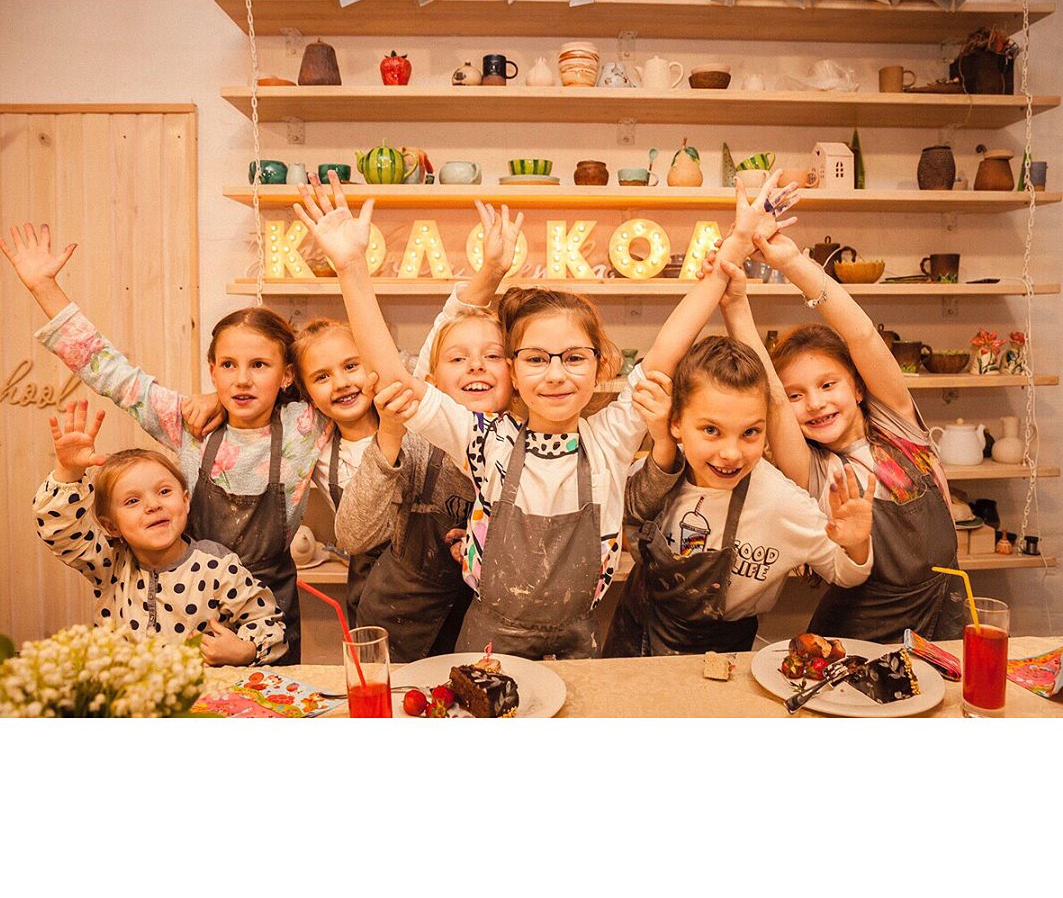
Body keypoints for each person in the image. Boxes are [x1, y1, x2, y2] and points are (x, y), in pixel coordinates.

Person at [294, 171, 801, 658]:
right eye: (536, 359)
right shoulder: (484, 439)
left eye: (574, 357)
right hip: (487, 643)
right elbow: (395, 379)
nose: (556, 374)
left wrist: (735, 247)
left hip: (576, 643)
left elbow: (671, 343)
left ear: (602, 366)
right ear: (513, 372)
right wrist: (351, 267)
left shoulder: (610, 437)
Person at [0, 223, 334, 662]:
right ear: (211, 370)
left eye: (259, 365)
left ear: (286, 374)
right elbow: (112, 372)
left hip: (267, 617)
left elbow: (350, 379)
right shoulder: (188, 422)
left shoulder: (305, 425)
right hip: (187, 605)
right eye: (228, 365)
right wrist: (44, 287)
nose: (242, 379)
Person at [716, 216, 966, 642]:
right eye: (797, 395)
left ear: (858, 387)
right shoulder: (813, 471)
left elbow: (862, 334)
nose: (815, 403)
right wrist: (736, 305)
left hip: (945, 614)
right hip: (860, 634)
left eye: (828, 385)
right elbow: (771, 395)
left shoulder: (900, 427)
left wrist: (793, 263)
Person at [603, 329, 875, 657]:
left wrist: (856, 543)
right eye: (711, 430)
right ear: (676, 423)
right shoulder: (660, 474)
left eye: (750, 432)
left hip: (719, 655)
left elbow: (845, 574)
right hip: (630, 637)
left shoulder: (781, 502)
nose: (731, 453)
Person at [338, 203, 521, 661]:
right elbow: (353, 536)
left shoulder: (527, 442)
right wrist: (390, 436)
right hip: (397, 629)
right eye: (457, 358)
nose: (475, 365)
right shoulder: (418, 437)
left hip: (485, 632)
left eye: (492, 356)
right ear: (431, 379)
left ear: (516, 374)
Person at [34, 400, 287, 665]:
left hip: (199, 690)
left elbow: (267, 623)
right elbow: (59, 530)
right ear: (111, 526)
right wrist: (69, 471)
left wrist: (246, 650)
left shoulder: (218, 567)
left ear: (185, 501)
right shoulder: (110, 563)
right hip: (126, 688)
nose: (153, 505)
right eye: (132, 501)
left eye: (164, 491)